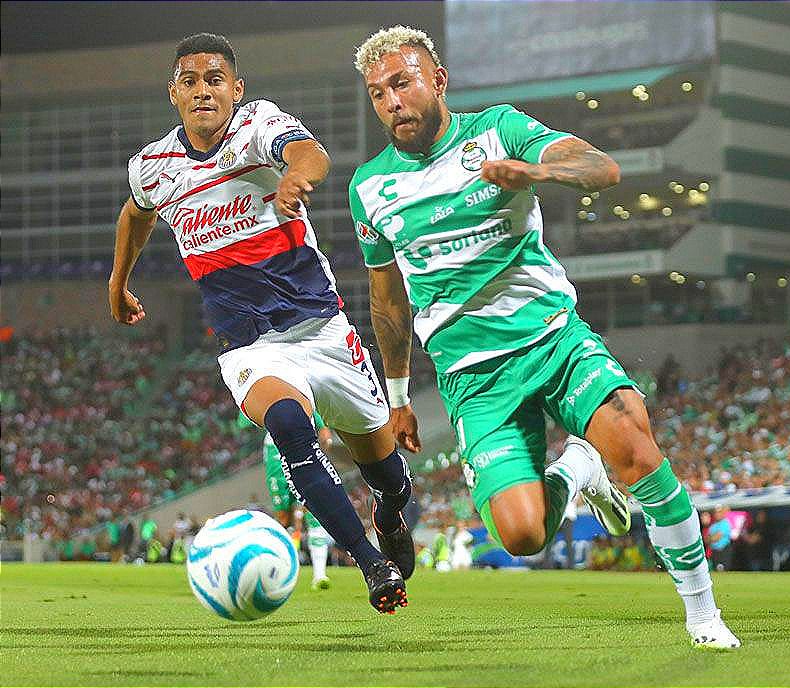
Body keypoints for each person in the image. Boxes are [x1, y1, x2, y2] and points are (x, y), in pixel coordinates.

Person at [350, 26, 739, 647]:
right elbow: (387, 301)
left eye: (403, 82)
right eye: (378, 93)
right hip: (473, 378)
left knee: (636, 448)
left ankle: (703, 616)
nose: (392, 101)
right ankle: (578, 467)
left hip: (552, 340)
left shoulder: (498, 129)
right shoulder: (370, 187)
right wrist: (397, 396)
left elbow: (601, 167)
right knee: (523, 536)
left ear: (438, 81)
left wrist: (534, 170)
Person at [109, 33, 414, 613]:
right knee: (291, 428)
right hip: (250, 346)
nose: (204, 91)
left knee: (387, 473)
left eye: (215, 79)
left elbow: (310, 153)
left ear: (236, 89)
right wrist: (118, 282)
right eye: (191, 81)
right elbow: (135, 214)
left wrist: (296, 176)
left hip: (321, 329)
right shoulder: (152, 167)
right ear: (174, 93)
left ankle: (392, 512)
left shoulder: (257, 126)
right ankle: (371, 564)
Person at [264, 411, 334, 590]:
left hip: (304, 448)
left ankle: (319, 575)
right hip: (275, 452)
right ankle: (279, 568)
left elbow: (323, 430)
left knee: (314, 511)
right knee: (283, 518)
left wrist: (323, 434)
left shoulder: (307, 396)